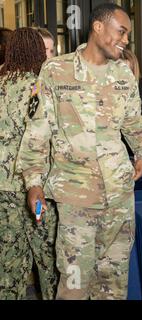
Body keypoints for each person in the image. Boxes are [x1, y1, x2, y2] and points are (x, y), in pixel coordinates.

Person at [17, 3, 142, 299]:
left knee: (114, 282)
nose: (126, 40)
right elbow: (39, 128)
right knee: (74, 281)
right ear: (98, 27)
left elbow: (134, 123)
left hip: (119, 195)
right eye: (122, 31)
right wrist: (34, 182)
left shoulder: (123, 74)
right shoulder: (56, 70)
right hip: (76, 199)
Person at [0, 28, 58, 300]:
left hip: (2, 191)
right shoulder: (38, 87)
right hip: (36, 189)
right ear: (37, 52)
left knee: (8, 266)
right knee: (50, 264)